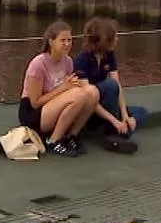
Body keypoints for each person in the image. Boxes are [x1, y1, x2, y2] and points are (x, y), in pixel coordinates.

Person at [18, 21, 100, 157]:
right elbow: (35, 102)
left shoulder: (67, 61)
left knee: (92, 92)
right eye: (63, 40)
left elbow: (69, 90)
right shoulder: (38, 64)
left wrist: (71, 87)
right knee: (78, 94)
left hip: (54, 105)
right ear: (51, 41)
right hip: (33, 113)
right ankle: (53, 141)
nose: (67, 44)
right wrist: (65, 88)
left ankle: (71, 136)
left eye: (69, 40)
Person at [73, 16, 148, 139]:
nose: (117, 39)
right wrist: (114, 120)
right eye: (115, 36)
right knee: (110, 85)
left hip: (108, 104)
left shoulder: (109, 55)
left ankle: (118, 127)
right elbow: (88, 97)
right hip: (91, 109)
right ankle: (114, 127)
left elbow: (118, 85)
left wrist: (125, 116)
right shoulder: (82, 60)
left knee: (141, 112)